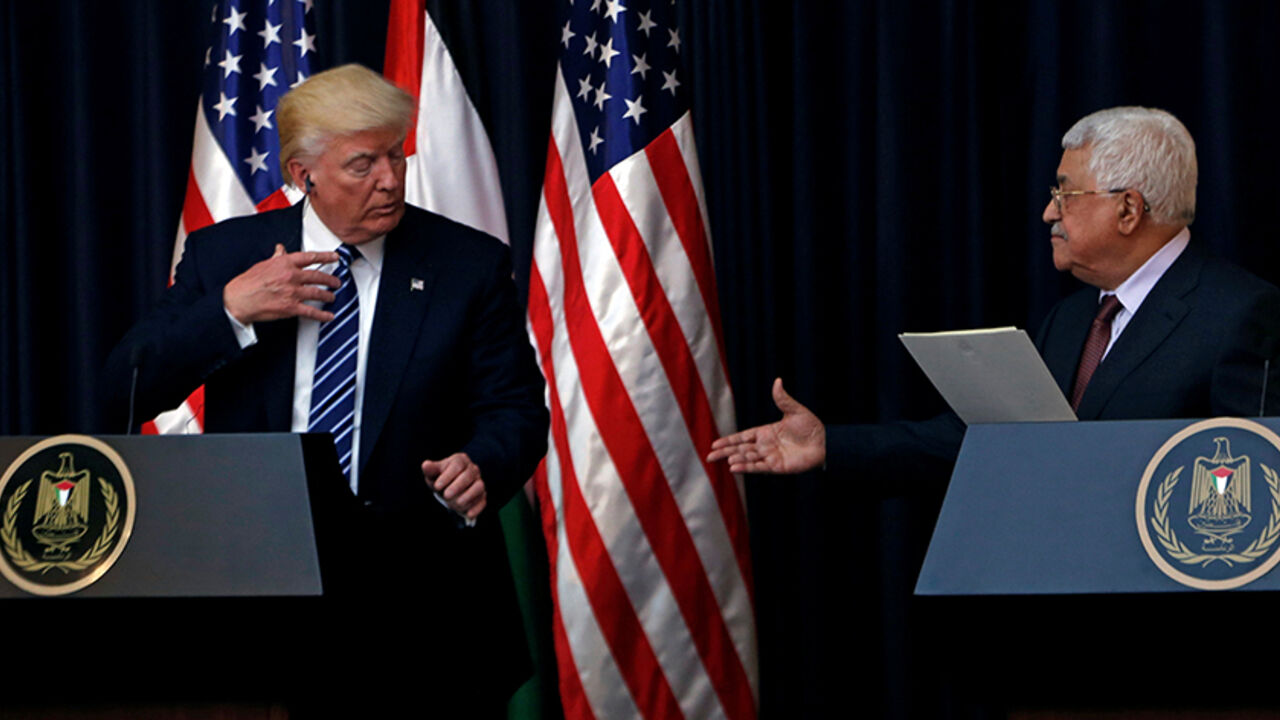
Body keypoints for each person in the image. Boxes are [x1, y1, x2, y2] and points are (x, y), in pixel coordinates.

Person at [103, 64, 548, 712]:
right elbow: (126, 390)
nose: (391, 179)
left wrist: (482, 464)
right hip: (258, 595)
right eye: (362, 164)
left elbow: (515, 410)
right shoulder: (226, 258)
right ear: (301, 175)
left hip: (425, 609)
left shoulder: (465, 263)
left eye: (395, 154)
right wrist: (228, 311)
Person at [709, 106, 1280, 476]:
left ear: (1128, 207)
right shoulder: (1071, 319)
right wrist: (831, 445)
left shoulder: (1239, 315)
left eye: (1065, 194)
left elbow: (1253, 490)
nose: (1047, 213)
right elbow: (982, 440)